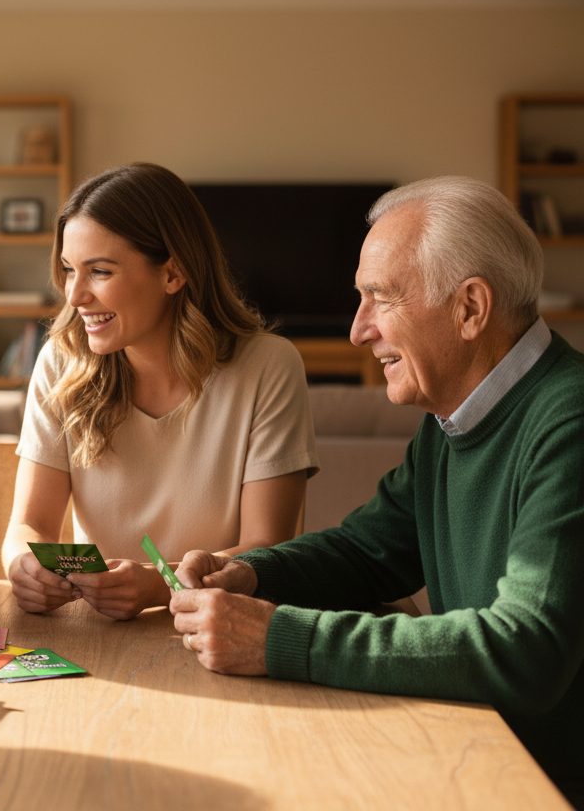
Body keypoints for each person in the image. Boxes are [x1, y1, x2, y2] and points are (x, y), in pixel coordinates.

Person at [169, 176, 584, 806]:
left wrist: (279, 638)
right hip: (471, 753)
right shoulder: (450, 423)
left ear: (470, 308)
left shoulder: (570, 420)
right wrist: (247, 573)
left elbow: (523, 650)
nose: (359, 331)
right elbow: (368, 552)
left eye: (380, 299)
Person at [4, 163, 319, 620]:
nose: (74, 296)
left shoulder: (268, 367)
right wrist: (24, 565)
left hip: (220, 633)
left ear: (173, 273)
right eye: (70, 270)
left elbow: (266, 549)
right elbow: (27, 525)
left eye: (100, 271)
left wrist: (161, 584)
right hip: (95, 637)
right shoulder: (60, 362)